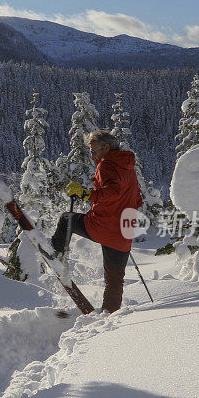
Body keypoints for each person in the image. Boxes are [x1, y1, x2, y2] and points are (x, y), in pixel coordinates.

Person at [50, 130, 143, 313]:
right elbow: (137, 199)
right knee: (115, 279)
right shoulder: (129, 167)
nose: (93, 156)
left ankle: (55, 253)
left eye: (94, 151)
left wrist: (87, 194)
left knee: (66, 219)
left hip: (103, 226)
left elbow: (112, 191)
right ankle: (110, 313)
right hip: (124, 231)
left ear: (106, 147)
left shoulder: (106, 165)